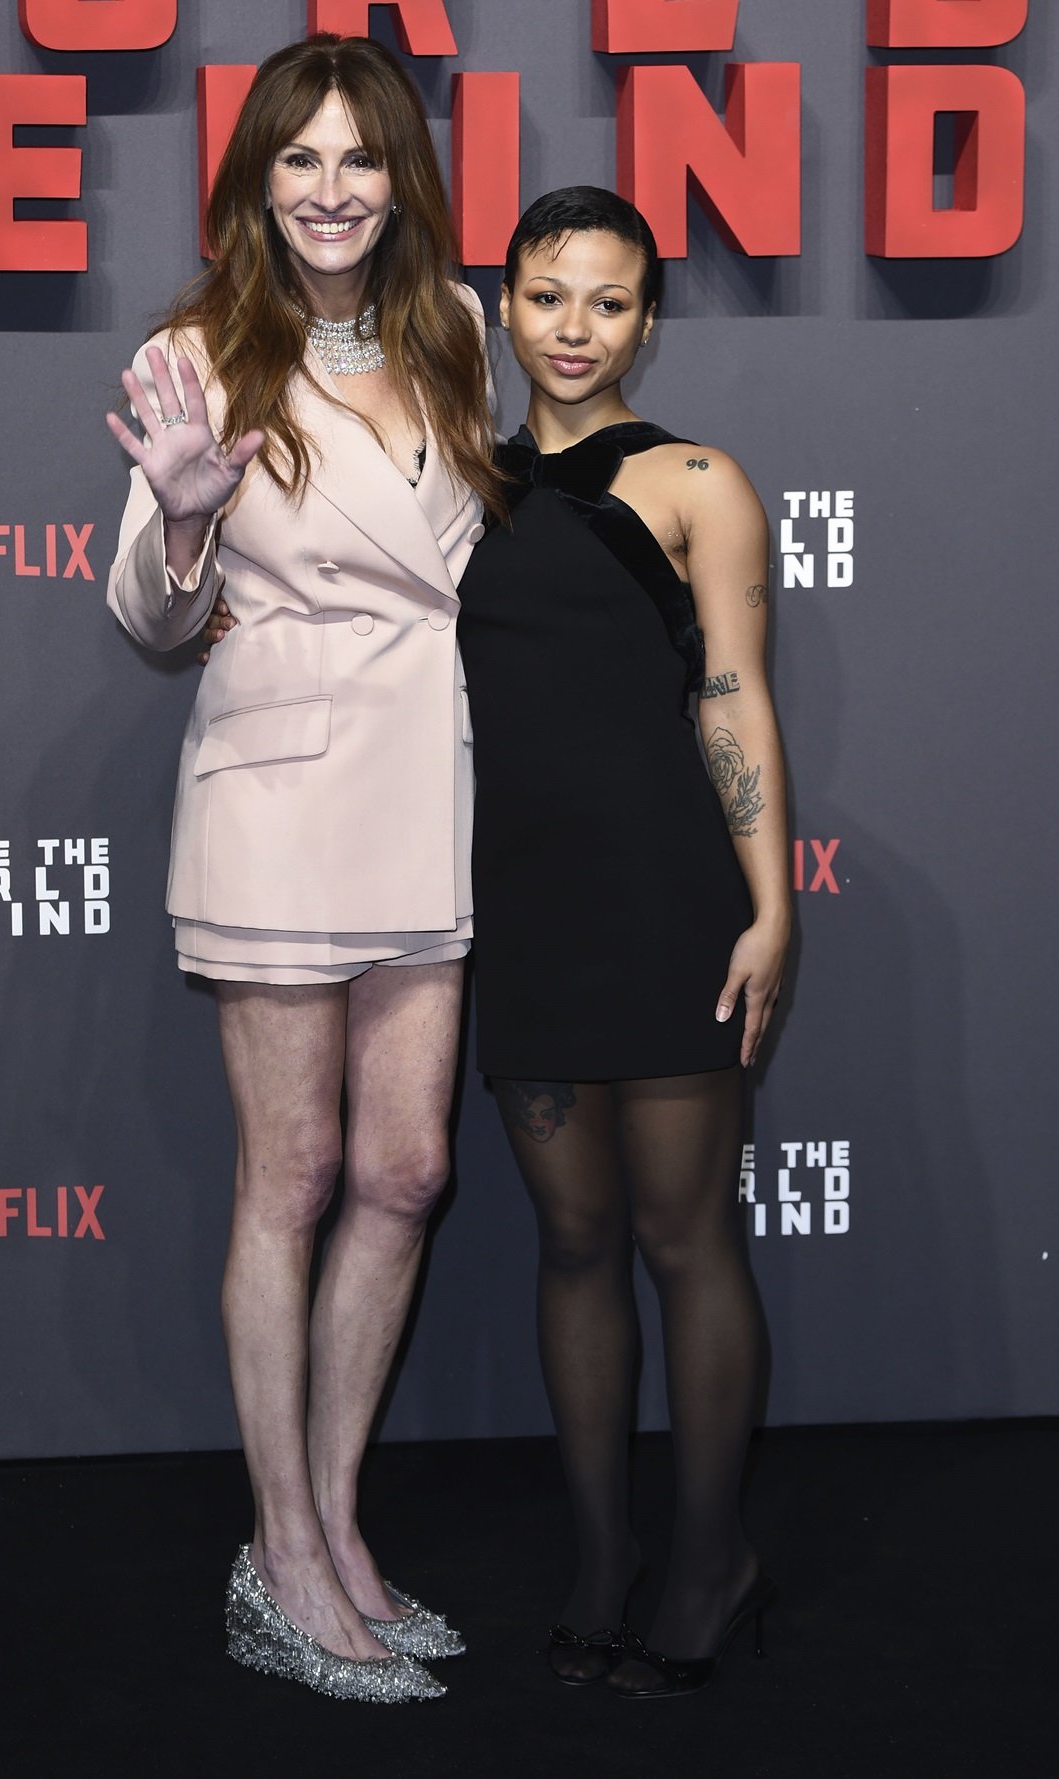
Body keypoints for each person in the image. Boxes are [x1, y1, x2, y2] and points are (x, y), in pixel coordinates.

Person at [104, 33, 500, 1704]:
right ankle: (276, 1556)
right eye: (299, 160)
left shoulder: (460, 329)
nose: (331, 192)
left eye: (360, 159)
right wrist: (187, 519)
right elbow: (146, 619)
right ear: (254, 181)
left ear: (401, 176)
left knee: (406, 1172)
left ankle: (337, 1531)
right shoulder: (198, 353)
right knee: (296, 1171)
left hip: (425, 788)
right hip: (276, 798)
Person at [454, 187, 790, 1698]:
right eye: (546, 296)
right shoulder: (457, 481)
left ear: (649, 318)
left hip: (666, 910)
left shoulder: (700, 480)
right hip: (519, 913)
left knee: (681, 1239)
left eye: (607, 301)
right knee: (574, 1244)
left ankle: (710, 1551)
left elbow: (730, 695)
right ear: (504, 307)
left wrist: (771, 900)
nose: (574, 329)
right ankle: (601, 1555)